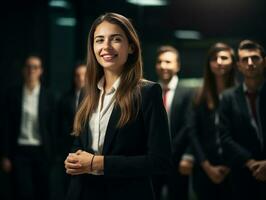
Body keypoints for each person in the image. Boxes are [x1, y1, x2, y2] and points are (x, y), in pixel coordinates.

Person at [64, 12, 173, 200]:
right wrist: (73, 158)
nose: (106, 47)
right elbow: (80, 142)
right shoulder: (86, 92)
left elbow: (160, 161)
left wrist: (99, 163)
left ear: (131, 47)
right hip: (83, 192)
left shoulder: (147, 93)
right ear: (92, 47)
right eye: (99, 40)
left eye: (115, 39)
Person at [1, 54, 56, 200]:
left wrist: (53, 154)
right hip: (20, 151)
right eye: (29, 67)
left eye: (35, 67)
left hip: (41, 151)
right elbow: (6, 127)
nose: (32, 70)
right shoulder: (13, 94)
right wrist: (5, 155)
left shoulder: (48, 96)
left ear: (41, 71)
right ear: (23, 70)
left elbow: (53, 127)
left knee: (42, 192)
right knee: (21, 192)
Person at [219, 40, 266, 200]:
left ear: (264, 61)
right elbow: (225, 137)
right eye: (245, 60)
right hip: (244, 173)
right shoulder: (228, 97)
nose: (250, 63)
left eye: (255, 58)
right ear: (238, 65)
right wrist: (251, 162)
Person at [187, 42, 235, 200]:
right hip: (204, 167)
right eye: (214, 58)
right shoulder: (199, 95)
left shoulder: (240, 94)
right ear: (209, 63)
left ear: (233, 62)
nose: (219, 62)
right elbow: (193, 133)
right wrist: (207, 166)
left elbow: (241, 134)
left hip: (234, 168)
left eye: (224, 57)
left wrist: (229, 166)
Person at [153, 45, 194, 200]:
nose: (163, 66)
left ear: (177, 66)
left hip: (179, 160)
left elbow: (190, 127)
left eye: (168, 62)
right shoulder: (149, 91)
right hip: (153, 160)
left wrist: (188, 155)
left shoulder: (188, 93)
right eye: (160, 62)